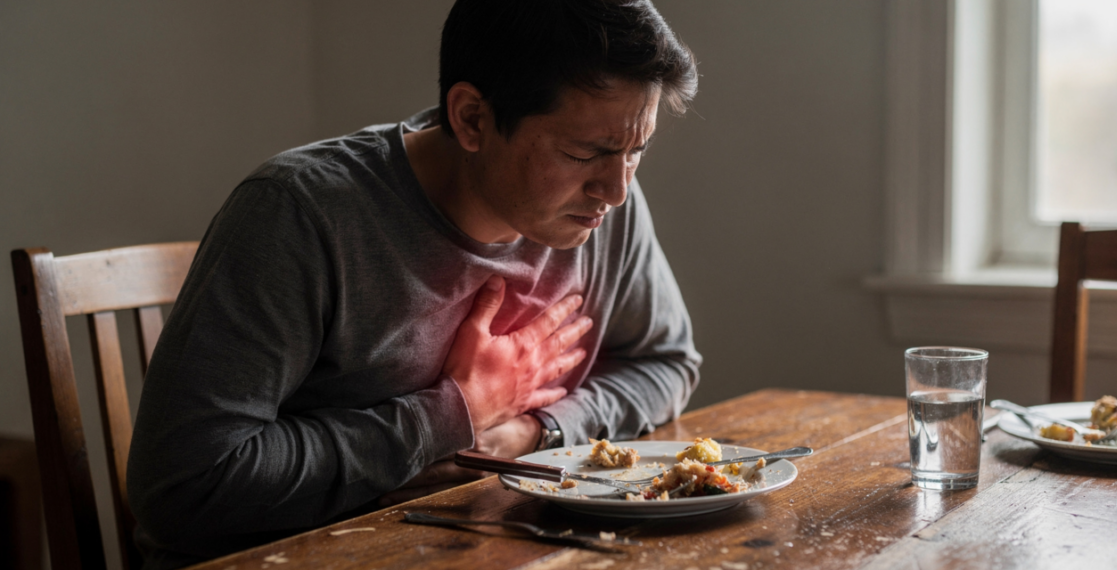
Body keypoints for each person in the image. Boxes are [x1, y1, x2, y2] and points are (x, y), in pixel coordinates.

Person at [127, 0, 700, 568]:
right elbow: (181, 491)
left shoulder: (603, 204)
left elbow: (666, 361)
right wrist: (454, 414)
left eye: (636, 151)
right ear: (472, 118)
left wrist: (534, 431)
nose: (617, 190)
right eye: (584, 152)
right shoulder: (299, 214)